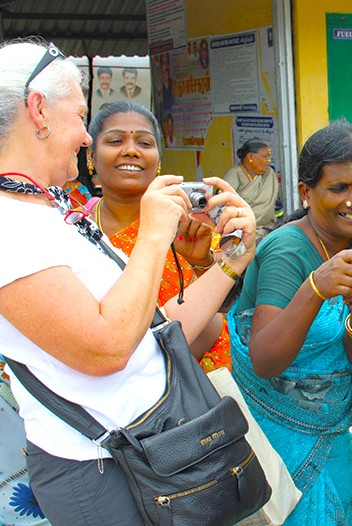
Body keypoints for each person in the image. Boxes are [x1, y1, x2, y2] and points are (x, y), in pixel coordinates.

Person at [0, 41, 254, 524]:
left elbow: (155, 329)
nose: (83, 135)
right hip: (100, 469)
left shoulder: (45, 211)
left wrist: (233, 260)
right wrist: (156, 232)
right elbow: (108, 348)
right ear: (38, 110)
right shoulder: (9, 226)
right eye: (80, 116)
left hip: (149, 449)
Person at [229, 119, 352, 525]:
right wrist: (316, 288)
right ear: (306, 193)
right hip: (280, 440)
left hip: (328, 437)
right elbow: (265, 360)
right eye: (339, 188)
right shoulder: (289, 250)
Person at [88, 100, 250, 372]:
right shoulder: (72, 225)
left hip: (188, 385)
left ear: (158, 161)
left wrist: (202, 261)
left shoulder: (188, 220)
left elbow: (225, 311)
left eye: (145, 143)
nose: (131, 151)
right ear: (91, 156)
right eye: (116, 141)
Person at [223, 139, 279, 242]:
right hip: (240, 233)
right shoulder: (235, 174)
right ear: (250, 157)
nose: (269, 160)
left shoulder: (269, 174)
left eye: (269, 156)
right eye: (265, 156)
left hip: (267, 231)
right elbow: (223, 203)